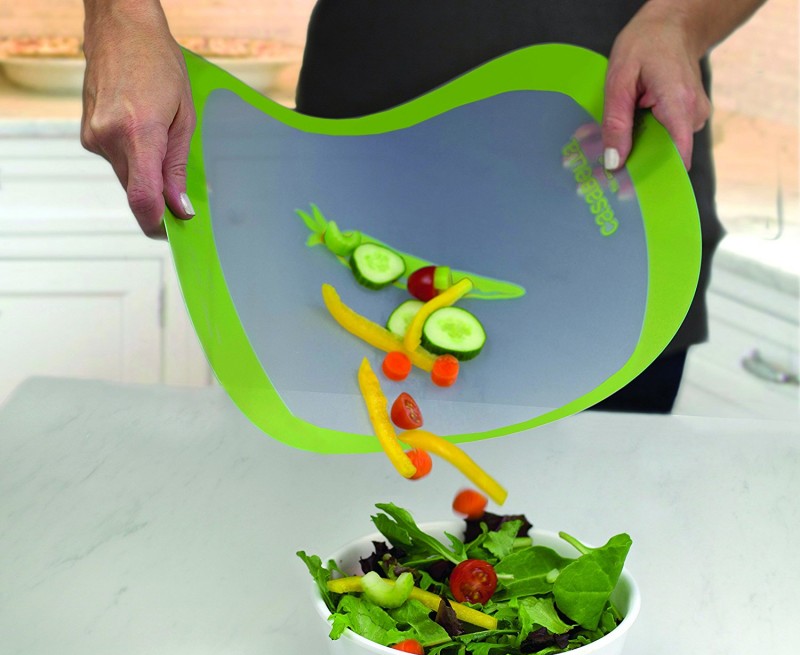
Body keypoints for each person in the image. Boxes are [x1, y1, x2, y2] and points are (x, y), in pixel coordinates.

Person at [80, 0, 768, 412]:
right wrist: (121, 18)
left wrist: (679, 19)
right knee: (339, 533)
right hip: (359, 182)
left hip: (611, 198)